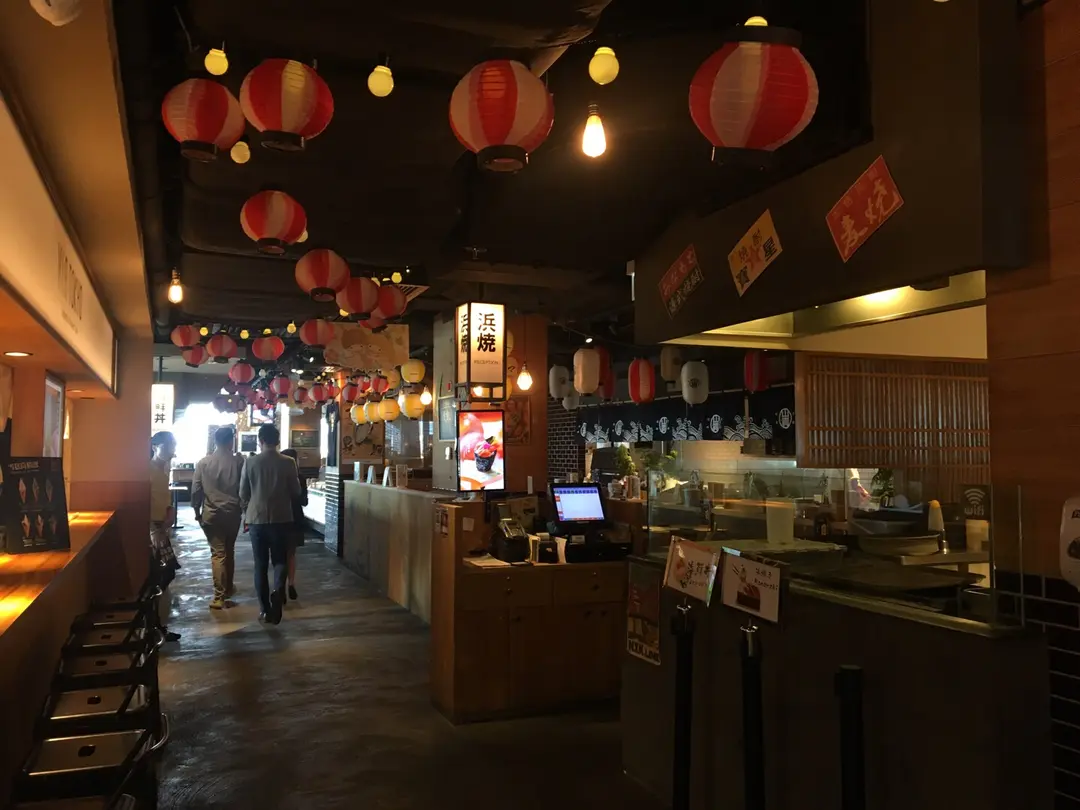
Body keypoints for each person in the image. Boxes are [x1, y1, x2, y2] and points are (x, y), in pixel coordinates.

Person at [240, 425, 301, 624]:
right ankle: (278, 589)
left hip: (256, 519)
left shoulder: (250, 462)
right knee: (280, 560)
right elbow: (296, 491)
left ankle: (265, 610)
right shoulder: (289, 462)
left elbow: (242, 493)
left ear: (260, 440)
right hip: (282, 517)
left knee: (260, 564)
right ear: (278, 441)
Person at [191, 426, 245, 610]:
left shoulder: (203, 463)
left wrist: (197, 512)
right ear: (231, 441)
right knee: (229, 550)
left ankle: (219, 596)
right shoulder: (239, 462)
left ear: (215, 441)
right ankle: (228, 589)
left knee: (218, 553)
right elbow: (244, 488)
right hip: (233, 513)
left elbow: (196, 490)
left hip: (211, 514)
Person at [150, 431, 181, 641]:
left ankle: (159, 624)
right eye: (168, 445)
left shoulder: (163, 469)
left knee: (165, 575)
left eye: (173, 445)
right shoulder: (148, 470)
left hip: (161, 528)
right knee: (163, 575)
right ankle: (156, 626)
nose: (172, 449)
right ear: (155, 447)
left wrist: (170, 510)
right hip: (154, 530)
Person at [280, 448, 308, 603]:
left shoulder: (277, 477)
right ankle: (291, 583)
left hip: (279, 518)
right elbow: (304, 501)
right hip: (296, 518)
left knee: (279, 554)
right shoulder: (300, 478)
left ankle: (280, 586)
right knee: (291, 554)